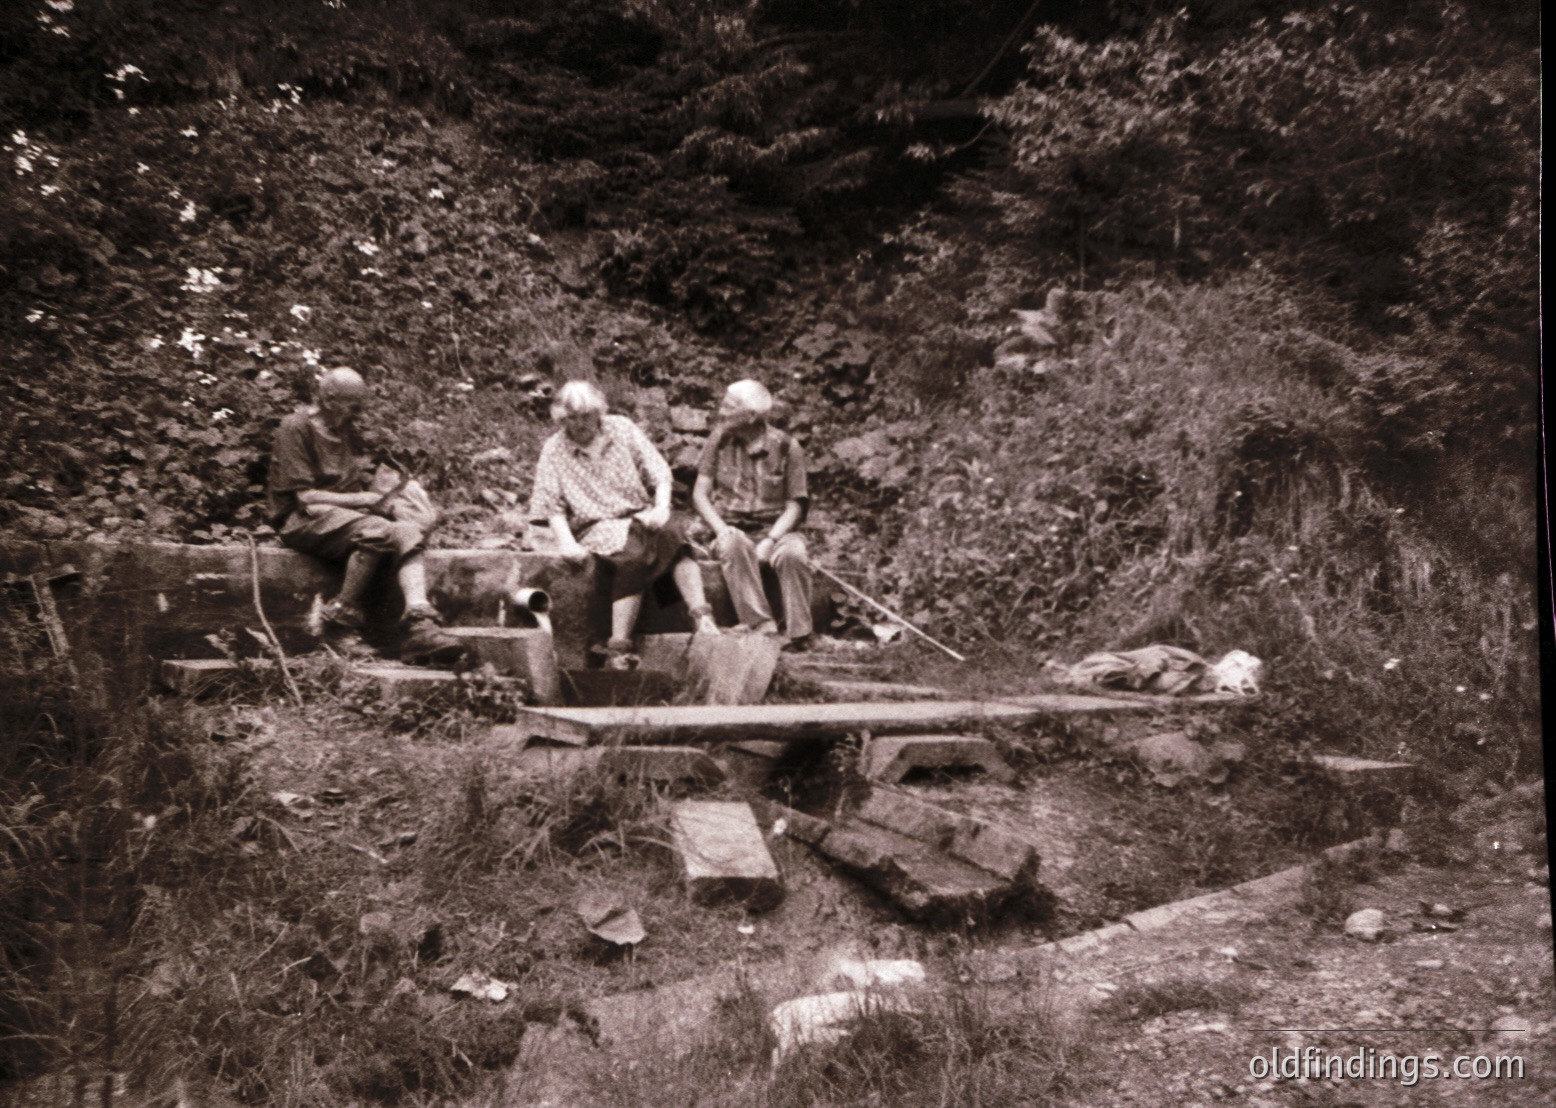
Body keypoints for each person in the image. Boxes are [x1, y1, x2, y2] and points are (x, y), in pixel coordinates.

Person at [265, 366, 464, 664]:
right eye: (353, 406)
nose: (357, 414)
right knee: (377, 531)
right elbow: (305, 497)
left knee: (409, 530)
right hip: (301, 519)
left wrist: (393, 497)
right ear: (329, 399)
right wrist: (367, 499)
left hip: (339, 517)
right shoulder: (295, 428)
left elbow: (351, 495)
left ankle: (419, 624)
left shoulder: (340, 430)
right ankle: (338, 621)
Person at [528, 380, 719, 668]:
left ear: (598, 413)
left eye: (586, 416)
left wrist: (661, 508)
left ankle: (702, 617)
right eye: (571, 418)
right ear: (561, 419)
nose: (580, 424)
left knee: (673, 535)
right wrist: (566, 543)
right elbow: (550, 505)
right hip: (596, 525)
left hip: (639, 516)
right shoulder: (554, 449)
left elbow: (659, 473)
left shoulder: (621, 428)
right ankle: (619, 647)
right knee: (633, 553)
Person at [692, 379, 814, 648]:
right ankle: (763, 627)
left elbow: (795, 505)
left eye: (729, 406)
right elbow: (700, 494)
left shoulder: (787, 447)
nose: (721, 411)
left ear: (751, 416)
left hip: (776, 529)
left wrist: (770, 540)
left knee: (794, 553)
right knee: (734, 544)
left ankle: (799, 635)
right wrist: (721, 529)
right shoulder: (719, 440)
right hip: (731, 526)